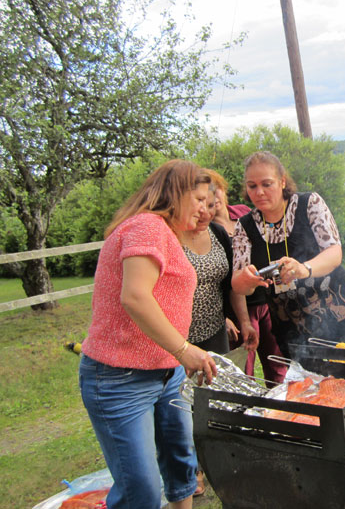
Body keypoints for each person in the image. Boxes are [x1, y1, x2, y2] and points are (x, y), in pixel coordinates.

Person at [79, 159, 219, 509]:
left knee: (180, 464)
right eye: (199, 199)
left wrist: (177, 357)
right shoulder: (147, 226)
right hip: (119, 379)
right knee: (139, 488)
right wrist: (185, 349)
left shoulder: (167, 232)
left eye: (208, 201)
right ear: (174, 192)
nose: (205, 208)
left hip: (166, 373)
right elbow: (135, 296)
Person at [231, 150, 345, 359]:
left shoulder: (309, 203)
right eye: (252, 186)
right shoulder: (244, 226)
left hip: (336, 315)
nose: (259, 192)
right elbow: (238, 285)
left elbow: (334, 252)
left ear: (282, 182)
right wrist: (246, 280)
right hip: (290, 328)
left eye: (267, 184)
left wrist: (303, 269)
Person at [178, 181, 258, 497]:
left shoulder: (219, 234)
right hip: (179, 338)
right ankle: (191, 471)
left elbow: (230, 285)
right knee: (183, 407)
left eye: (212, 207)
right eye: (201, 206)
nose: (206, 213)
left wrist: (242, 320)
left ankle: (223, 464)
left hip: (214, 334)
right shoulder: (170, 236)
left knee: (216, 401)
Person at [209, 169, 287, 386]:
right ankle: (247, 413)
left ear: (224, 191)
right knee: (244, 368)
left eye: (216, 190)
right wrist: (224, 317)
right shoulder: (205, 229)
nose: (213, 197)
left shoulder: (244, 214)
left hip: (268, 299)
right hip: (238, 307)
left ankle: (282, 410)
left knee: (277, 362)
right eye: (207, 193)